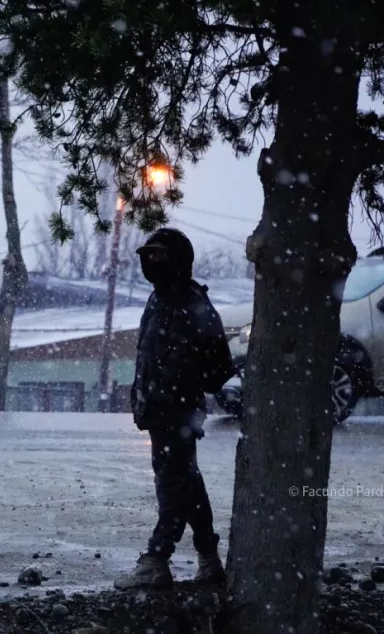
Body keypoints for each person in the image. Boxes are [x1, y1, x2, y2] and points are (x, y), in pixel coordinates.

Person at [115, 227, 235, 590]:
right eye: (147, 256)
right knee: (187, 483)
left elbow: (219, 370)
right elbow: (148, 355)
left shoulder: (193, 303)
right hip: (159, 411)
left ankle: (157, 559)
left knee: (173, 484)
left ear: (179, 261)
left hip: (178, 413)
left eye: (160, 256)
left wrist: (180, 387)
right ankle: (209, 559)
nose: (152, 262)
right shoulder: (159, 299)